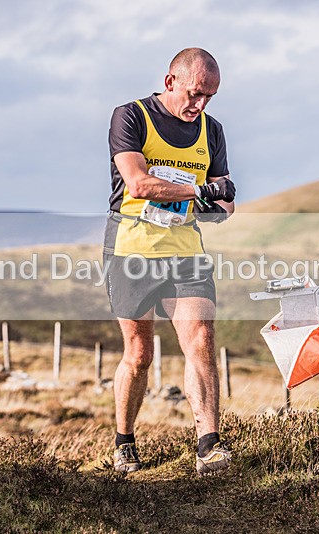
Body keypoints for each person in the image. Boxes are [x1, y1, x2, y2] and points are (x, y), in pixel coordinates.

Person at [103, 48, 236, 475]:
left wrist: (218, 201)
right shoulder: (131, 117)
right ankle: (124, 442)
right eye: (195, 93)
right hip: (131, 249)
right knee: (139, 354)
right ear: (170, 81)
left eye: (209, 97)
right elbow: (139, 184)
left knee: (200, 340)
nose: (199, 105)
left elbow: (227, 202)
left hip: (185, 251)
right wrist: (202, 193)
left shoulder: (212, 131)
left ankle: (209, 444)